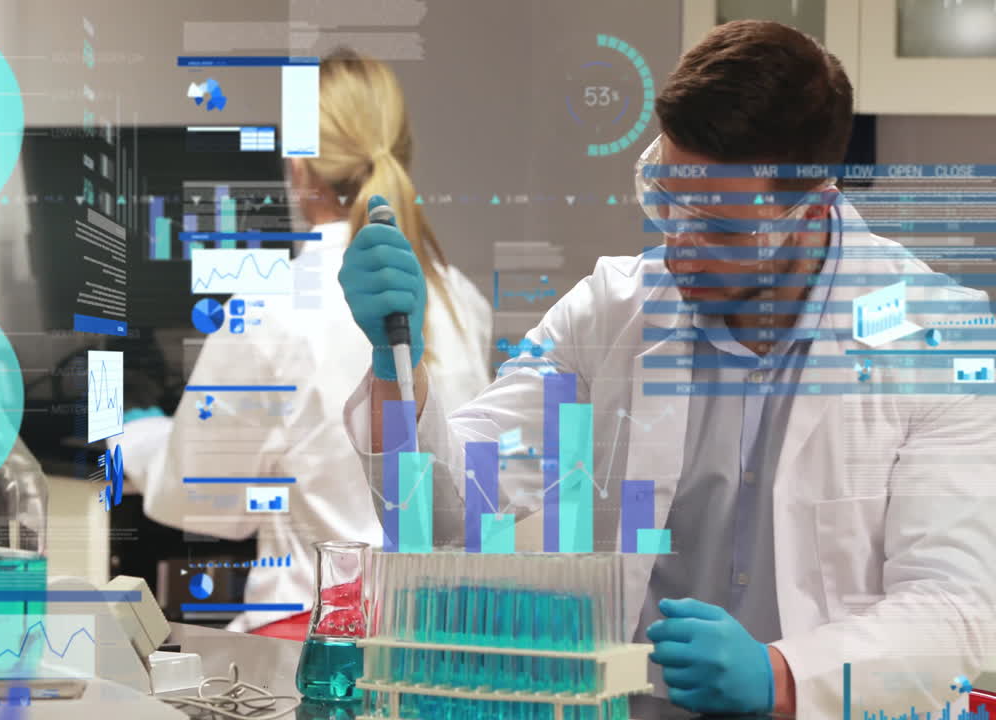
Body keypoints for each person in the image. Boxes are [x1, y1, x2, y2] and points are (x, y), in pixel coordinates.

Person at [338, 20, 995, 718]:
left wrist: (780, 675)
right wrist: (394, 369)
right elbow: (444, 518)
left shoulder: (937, 343)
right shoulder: (609, 316)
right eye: (668, 201)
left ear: (814, 206)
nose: (679, 247)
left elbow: (959, 610)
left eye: (720, 228)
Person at [127, 48, 493, 634]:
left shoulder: (273, 308)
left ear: (299, 167)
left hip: (318, 644)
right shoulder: (461, 300)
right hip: (446, 635)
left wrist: (139, 439)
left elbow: (203, 500)